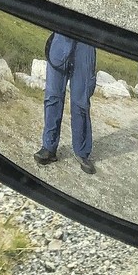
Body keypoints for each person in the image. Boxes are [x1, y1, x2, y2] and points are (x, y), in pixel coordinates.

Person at [34, 32, 98, 174]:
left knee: (80, 101)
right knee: (52, 96)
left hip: (86, 42)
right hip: (61, 36)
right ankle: (48, 148)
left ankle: (82, 153)